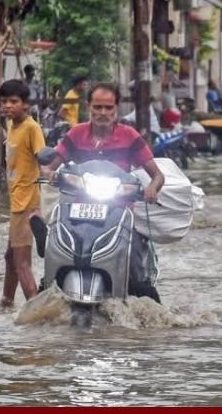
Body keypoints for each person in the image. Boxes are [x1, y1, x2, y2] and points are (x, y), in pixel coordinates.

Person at [42, 82, 166, 295]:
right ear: (88, 106)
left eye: (108, 108)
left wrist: (151, 189)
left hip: (119, 212)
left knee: (137, 271)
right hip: (77, 213)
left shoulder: (130, 136)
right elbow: (48, 165)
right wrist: (51, 175)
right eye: (97, 107)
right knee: (54, 254)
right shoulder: (76, 134)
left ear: (116, 108)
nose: (103, 113)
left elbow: (157, 175)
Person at [0, 79, 46, 307]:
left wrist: (50, 175)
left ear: (25, 104)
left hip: (26, 203)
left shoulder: (31, 128)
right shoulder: (11, 126)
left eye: (14, 102)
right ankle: (7, 301)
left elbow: (43, 159)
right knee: (11, 257)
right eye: (4, 102)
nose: (8, 106)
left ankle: (36, 312)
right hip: (15, 201)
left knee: (22, 264)